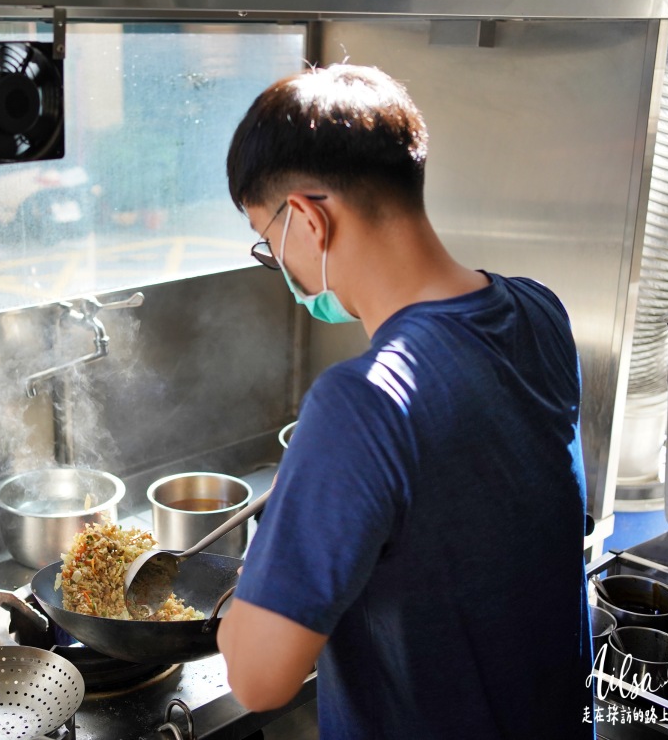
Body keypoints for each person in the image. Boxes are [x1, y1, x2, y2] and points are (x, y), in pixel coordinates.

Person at [216, 64, 593, 739]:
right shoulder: (540, 312)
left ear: (305, 217)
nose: (283, 268)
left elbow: (258, 678)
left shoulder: (361, 402)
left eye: (268, 243)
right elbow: (464, 532)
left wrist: (255, 588)